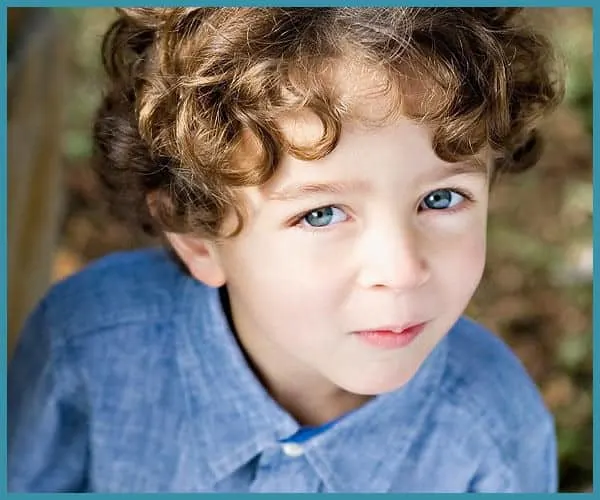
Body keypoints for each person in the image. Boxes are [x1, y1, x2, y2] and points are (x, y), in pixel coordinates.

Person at [8, 7, 564, 492]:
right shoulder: (85, 346)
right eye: (320, 214)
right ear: (199, 239)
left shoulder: (495, 430)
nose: (400, 271)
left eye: (442, 198)